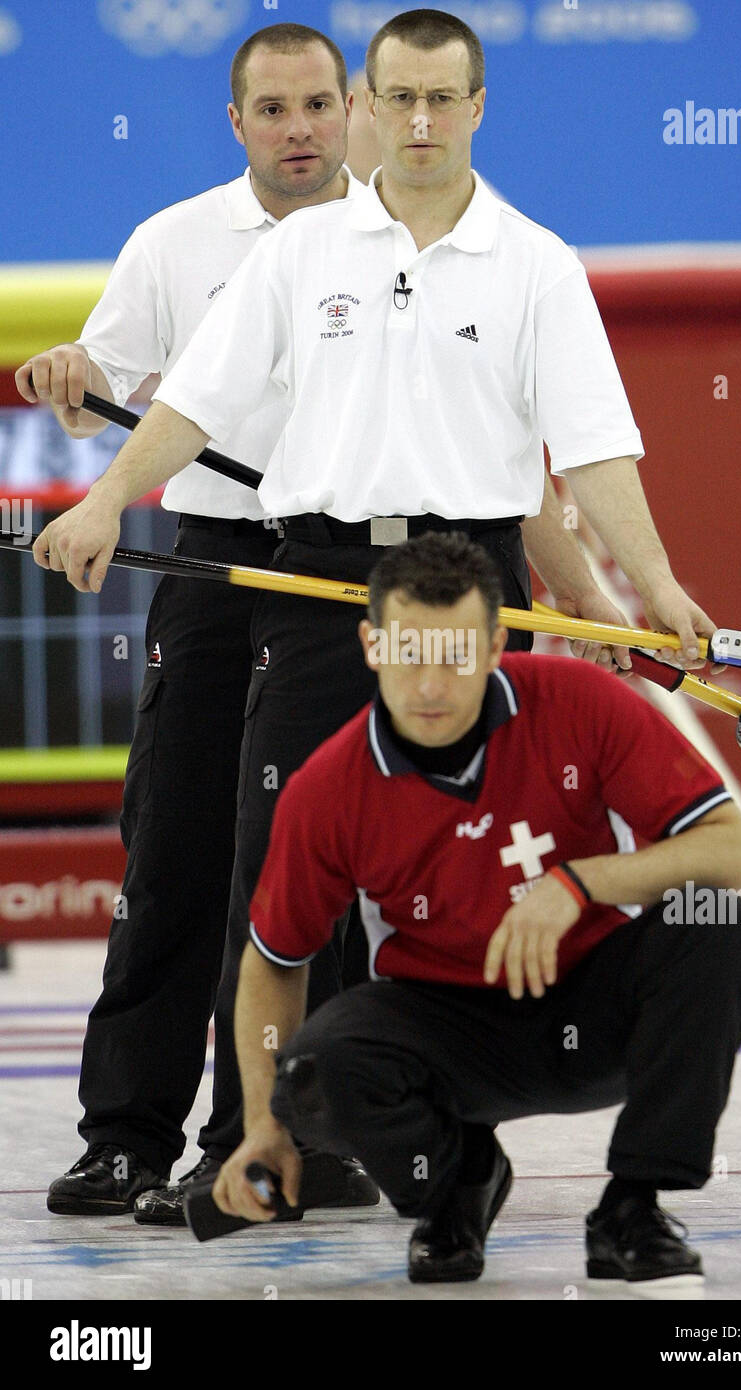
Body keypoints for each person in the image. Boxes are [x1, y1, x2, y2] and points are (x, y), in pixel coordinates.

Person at [27, 9, 722, 1223]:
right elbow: (191, 404)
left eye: (439, 99)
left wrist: (653, 596)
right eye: (392, 98)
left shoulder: (536, 264)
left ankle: (428, 1131)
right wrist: (102, 505)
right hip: (320, 582)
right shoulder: (295, 261)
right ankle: (254, 1142)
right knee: (271, 865)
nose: (414, 122)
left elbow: (593, 456)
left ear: (477, 104)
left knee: (452, 875)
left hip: (471, 581)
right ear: (364, 105)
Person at [15, 22, 383, 1222]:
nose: (297, 131)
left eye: (318, 107)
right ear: (236, 123)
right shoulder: (173, 242)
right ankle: (125, 1135)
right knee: (171, 851)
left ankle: (273, 1140)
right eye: (271, 110)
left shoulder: (401, 247)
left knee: (299, 872)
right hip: (215, 562)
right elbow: (104, 389)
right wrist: (70, 370)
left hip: (338, 573)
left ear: (350, 110)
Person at [213, 531, 741, 1286]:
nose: (432, 686)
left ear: (498, 641)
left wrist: (578, 883)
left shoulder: (581, 701)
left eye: (455, 656)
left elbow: (739, 856)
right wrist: (260, 1128)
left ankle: (634, 1205)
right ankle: (455, 1188)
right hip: (448, 1036)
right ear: (371, 644)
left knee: (718, 922)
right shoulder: (326, 787)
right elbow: (274, 960)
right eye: (409, 654)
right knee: (318, 1070)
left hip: (600, 1008)